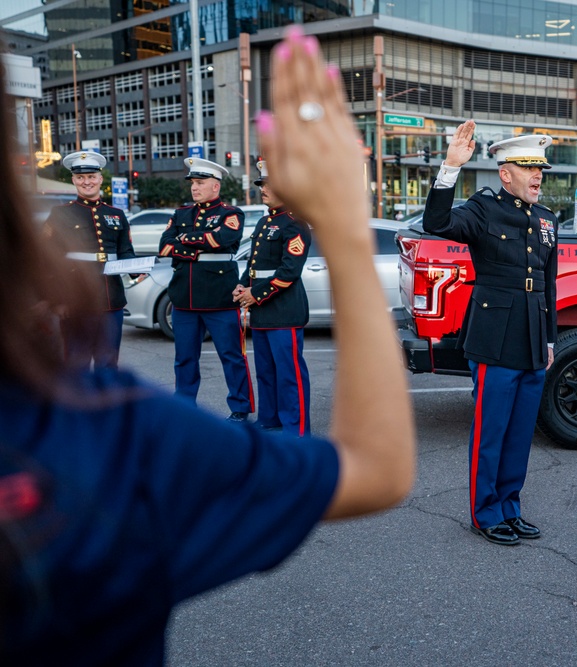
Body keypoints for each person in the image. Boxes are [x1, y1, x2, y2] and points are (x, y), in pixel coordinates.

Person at [0, 26, 414, 665]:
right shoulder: (108, 430)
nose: (194, 191)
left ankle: (264, 424)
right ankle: (248, 426)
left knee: (264, 373)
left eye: (200, 184)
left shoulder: (232, 219)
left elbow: (217, 253)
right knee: (192, 368)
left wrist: (239, 273)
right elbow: (378, 471)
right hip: (202, 304)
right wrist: (345, 222)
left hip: (235, 304)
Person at [423, 124, 557, 546]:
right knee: (491, 431)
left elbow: (549, 286)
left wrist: (550, 340)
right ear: (506, 173)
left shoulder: (546, 218)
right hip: (495, 336)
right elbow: (436, 223)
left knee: (519, 433)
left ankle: (510, 507)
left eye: (541, 170)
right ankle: (485, 513)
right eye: (528, 168)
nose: (538, 177)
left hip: (534, 335)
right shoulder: (484, 209)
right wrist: (450, 168)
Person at [158, 156, 254, 422]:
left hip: (219, 297)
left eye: (200, 182)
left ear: (216, 186)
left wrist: (185, 239)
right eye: (193, 183)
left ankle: (240, 407)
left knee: (231, 356)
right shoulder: (181, 213)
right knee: (184, 359)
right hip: (184, 298)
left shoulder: (231, 213)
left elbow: (224, 238)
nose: (194, 187)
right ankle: (185, 406)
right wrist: (199, 245)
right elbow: (165, 246)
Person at [234, 159, 313, 436]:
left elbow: (289, 271)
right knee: (266, 371)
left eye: (268, 184)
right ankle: (269, 420)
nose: (263, 189)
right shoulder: (265, 220)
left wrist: (255, 295)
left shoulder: (295, 224)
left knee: (289, 374)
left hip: (283, 309)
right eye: (262, 184)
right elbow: (254, 265)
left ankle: (297, 428)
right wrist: (242, 286)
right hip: (262, 310)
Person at [43, 151, 137, 369]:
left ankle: (107, 404)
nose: (87, 182)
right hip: (76, 300)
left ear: (101, 178)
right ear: (74, 180)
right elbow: (48, 260)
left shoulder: (116, 214)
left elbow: (125, 251)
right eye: (81, 177)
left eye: (92, 176)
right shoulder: (60, 214)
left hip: (110, 299)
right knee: (77, 362)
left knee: (109, 361)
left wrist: (136, 269)